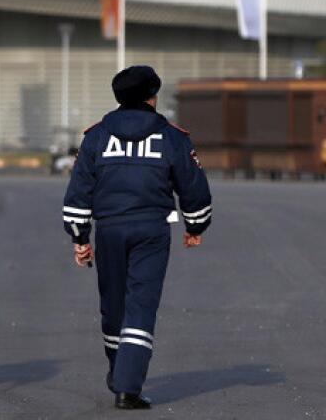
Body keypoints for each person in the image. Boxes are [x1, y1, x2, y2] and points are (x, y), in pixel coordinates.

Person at [62, 65, 211, 410]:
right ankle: (128, 388)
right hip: (151, 232)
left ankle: (120, 374)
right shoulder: (172, 136)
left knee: (113, 306)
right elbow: (193, 187)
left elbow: (79, 190)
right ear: (152, 96)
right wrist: (195, 227)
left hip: (109, 230)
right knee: (141, 305)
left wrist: (79, 237)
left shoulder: (96, 136)